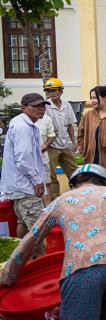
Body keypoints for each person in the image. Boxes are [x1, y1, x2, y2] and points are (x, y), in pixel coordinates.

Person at [0, 164, 106, 319]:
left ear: (72, 185)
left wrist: (8, 276)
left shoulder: (61, 201)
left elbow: (31, 240)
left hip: (83, 267)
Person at [0, 93, 49, 238]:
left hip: (21, 186)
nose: (41, 109)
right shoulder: (23, 127)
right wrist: (37, 180)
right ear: (23, 107)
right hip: (26, 187)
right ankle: (40, 259)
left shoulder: (24, 124)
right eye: (36, 106)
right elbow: (24, 159)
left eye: (42, 106)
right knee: (38, 232)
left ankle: (22, 258)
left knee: (23, 223)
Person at [43, 77, 79, 199]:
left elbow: (69, 125)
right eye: (48, 91)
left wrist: (74, 142)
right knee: (51, 176)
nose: (50, 93)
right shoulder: (45, 107)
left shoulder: (67, 105)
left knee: (74, 171)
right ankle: (55, 201)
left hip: (64, 145)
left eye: (53, 90)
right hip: (51, 146)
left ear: (61, 91)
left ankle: (79, 195)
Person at [35, 111, 56, 205]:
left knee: (46, 183)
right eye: (38, 107)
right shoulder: (19, 122)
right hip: (27, 159)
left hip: (43, 156)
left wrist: (46, 145)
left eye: (42, 107)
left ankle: (48, 209)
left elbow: (51, 136)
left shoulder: (46, 118)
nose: (41, 109)